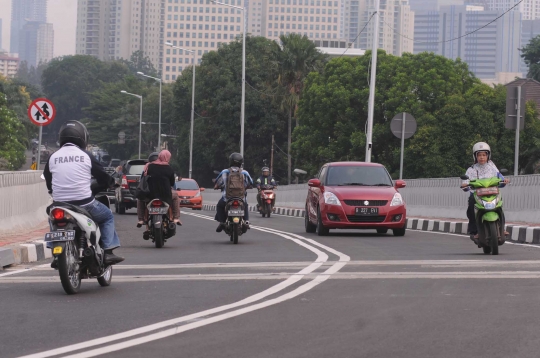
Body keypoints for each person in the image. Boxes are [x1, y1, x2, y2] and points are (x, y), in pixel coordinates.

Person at [43, 120, 124, 266]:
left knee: (52, 217)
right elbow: (101, 175)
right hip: (84, 203)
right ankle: (108, 252)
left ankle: (55, 252)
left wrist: (53, 191)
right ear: (82, 137)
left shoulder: (52, 157)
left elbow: (48, 180)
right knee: (107, 217)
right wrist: (111, 183)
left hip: (60, 203)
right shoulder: (86, 155)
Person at [461, 142, 509, 240]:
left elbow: (500, 177)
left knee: (499, 206)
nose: (482, 157)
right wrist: (465, 184)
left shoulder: (492, 167)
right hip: (477, 194)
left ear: (488, 155)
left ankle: (501, 228)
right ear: (475, 156)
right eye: (479, 155)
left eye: (484, 155)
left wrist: (504, 180)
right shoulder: (471, 169)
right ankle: (475, 231)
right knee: (471, 205)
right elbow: (465, 182)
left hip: (492, 192)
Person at [136, 150, 181, 228]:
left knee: (140, 198)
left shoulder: (148, 166)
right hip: (165, 196)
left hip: (150, 195)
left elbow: (143, 179)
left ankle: (141, 219)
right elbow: (172, 183)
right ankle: (176, 218)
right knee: (176, 196)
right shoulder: (169, 168)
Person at [214, 152, 253, 232]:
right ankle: (246, 221)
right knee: (245, 205)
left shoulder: (225, 172)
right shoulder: (244, 172)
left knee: (219, 206)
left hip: (227, 198)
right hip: (241, 197)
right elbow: (251, 182)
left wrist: (217, 186)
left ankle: (222, 222)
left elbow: (217, 182)